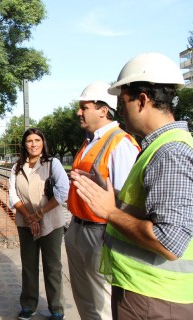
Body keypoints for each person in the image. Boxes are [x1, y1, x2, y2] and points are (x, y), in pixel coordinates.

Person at [71, 52, 193, 319]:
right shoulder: (159, 147)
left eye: (122, 101)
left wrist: (110, 212)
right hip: (145, 292)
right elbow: (148, 207)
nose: (120, 110)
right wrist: (111, 196)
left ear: (142, 100)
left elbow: (169, 241)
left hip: (156, 298)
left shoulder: (170, 152)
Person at [65, 81, 140, 320]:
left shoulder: (121, 143)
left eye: (83, 107)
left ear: (103, 110)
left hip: (100, 233)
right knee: (84, 299)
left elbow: (128, 200)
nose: (79, 112)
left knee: (103, 302)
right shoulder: (90, 141)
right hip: (77, 228)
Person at [8, 128, 70, 320]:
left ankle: (56, 308)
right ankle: (28, 305)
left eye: (37, 140)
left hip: (51, 222)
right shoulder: (17, 167)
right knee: (28, 265)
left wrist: (39, 215)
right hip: (25, 223)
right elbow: (12, 195)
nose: (33, 144)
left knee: (52, 266)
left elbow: (62, 192)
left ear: (43, 142)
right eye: (29, 141)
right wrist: (29, 217)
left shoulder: (53, 163)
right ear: (24, 144)